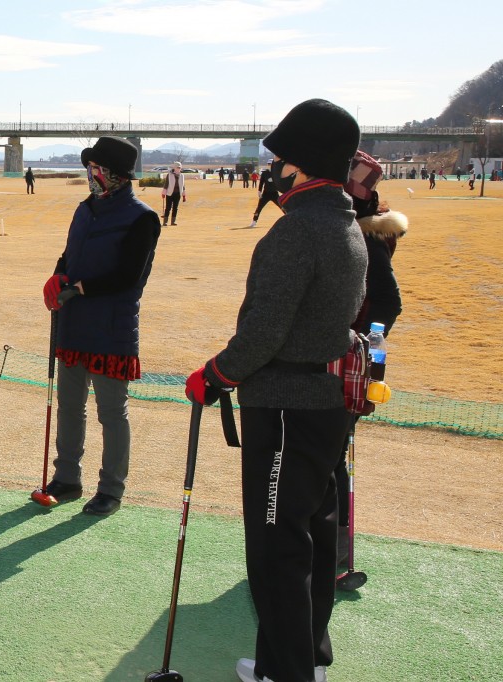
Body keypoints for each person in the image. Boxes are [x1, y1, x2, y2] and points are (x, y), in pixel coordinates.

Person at [184, 99, 366, 682]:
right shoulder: (341, 221)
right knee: (310, 535)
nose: (274, 169)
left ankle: (286, 673)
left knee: (276, 548)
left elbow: (264, 331)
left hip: (288, 406)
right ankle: (297, 658)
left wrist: (215, 375)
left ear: (303, 164)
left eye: (282, 158)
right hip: (322, 406)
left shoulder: (299, 230)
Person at [41, 137, 161, 517]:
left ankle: (110, 489)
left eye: (96, 168)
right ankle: (66, 478)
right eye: (89, 167)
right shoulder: (84, 209)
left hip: (112, 326)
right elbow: (70, 254)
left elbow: (129, 276)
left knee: (111, 412)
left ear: (116, 175)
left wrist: (79, 288)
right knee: (69, 406)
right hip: (74, 323)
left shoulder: (142, 217)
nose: (90, 174)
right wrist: (59, 276)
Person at [334, 150, 407, 568]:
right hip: (352, 361)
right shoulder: (359, 231)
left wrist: (360, 345)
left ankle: (337, 539)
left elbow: (388, 303)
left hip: (348, 365)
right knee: (330, 451)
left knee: (331, 453)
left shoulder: (364, 238)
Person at [250, 162, 283, 227]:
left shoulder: (276, 173)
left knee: (282, 206)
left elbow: (280, 182)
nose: (269, 165)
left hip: (274, 193)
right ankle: (254, 221)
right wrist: (259, 191)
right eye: (268, 164)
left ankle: (290, 218)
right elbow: (261, 182)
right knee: (259, 207)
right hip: (266, 193)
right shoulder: (264, 173)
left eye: (270, 164)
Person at [161, 161, 187, 226]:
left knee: (175, 208)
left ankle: (173, 222)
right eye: (178, 167)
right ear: (174, 168)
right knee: (168, 208)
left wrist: (184, 196)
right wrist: (163, 193)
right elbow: (166, 184)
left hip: (178, 194)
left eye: (180, 167)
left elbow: (183, 186)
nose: (179, 168)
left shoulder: (182, 175)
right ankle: (165, 222)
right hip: (169, 194)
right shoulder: (169, 175)